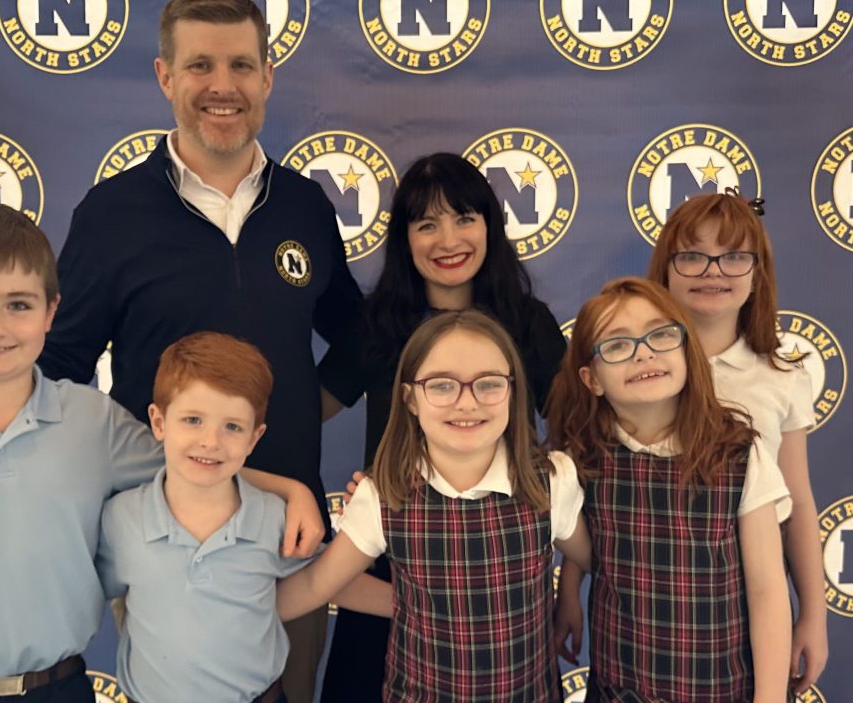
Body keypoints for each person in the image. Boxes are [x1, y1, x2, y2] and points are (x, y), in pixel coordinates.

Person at [0, 204, 318, 703]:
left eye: (19, 305)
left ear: (52, 310)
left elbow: (196, 461)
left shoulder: (95, 421)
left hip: (59, 687)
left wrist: (292, 490)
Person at [35, 0, 362, 702]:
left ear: (268, 76)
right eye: (200, 67)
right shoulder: (112, 213)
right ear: (165, 77)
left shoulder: (305, 205)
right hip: (160, 539)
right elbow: (54, 369)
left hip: (288, 537)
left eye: (242, 66)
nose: (223, 86)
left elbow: (360, 338)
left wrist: (304, 414)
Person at [317, 153, 566, 700]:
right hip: (388, 560)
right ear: (405, 238)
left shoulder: (527, 323)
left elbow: (578, 428)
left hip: (499, 574)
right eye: (426, 224)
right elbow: (305, 413)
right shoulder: (377, 323)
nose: (447, 239)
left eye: (463, 218)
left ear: (489, 226)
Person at [277, 309, 591, 703]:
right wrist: (225, 611)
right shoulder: (384, 495)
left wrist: (572, 593)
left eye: (489, 384)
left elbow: (603, 560)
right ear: (409, 398)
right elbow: (315, 584)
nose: (466, 402)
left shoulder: (549, 482)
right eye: (442, 386)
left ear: (513, 391)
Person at [96, 332, 391, 703]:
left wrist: (418, 604)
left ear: (255, 438)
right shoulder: (121, 521)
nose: (211, 441)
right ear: (158, 422)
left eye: (232, 426)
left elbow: (326, 581)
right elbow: (79, 593)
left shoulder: (273, 517)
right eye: (192, 420)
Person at [545, 277, 791, 702]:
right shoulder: (582, 461)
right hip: (620, 688)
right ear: (592, 379)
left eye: (660, 334)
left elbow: (768, 589)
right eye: (618, 345)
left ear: (685, 349)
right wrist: (569, 590)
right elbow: (591, 548)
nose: (644, 352)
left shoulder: (737, 456)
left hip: (722, 689)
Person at [651, 192, 827, 691]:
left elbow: (798, 500)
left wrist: (813, 614)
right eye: (692, 255)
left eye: (733, 256)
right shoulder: (637, 370)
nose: (713, 270)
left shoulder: (780, 377)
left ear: (756, 273)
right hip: (654, 603)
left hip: (752, 608)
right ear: (666, 268)